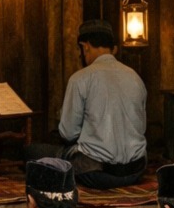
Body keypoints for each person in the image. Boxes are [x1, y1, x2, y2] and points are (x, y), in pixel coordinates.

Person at [43, 18, 147, 189]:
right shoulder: (136, 78)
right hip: (135, 171)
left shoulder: (80, 79)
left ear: (85, 47)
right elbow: (140, 128)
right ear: (112, 48)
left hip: (98, 174)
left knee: (35, 152)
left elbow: (68, 133)